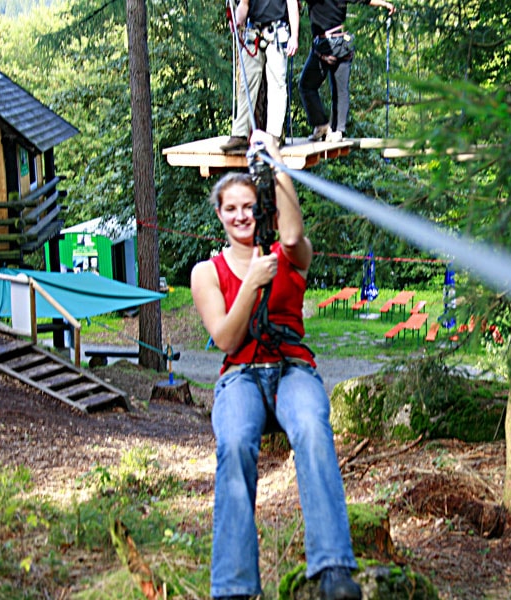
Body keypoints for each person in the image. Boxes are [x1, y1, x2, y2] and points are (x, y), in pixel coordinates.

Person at [191, 130, 362, 600]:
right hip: (241, 375)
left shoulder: (289, 254)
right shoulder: (207, 272)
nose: (240, 215)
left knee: (311, 427)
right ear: (220, 214)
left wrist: (279, 162)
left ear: (261, 209)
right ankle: (234, 586)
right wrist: (250, 284)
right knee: (235, 443)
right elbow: (225, 338)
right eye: (231, 208)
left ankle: (333, 568)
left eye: (249, 206)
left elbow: (292, 234)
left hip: (291, 367)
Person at [299, 0, 395, 143]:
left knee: (306, 86)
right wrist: (385, 4)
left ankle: (321, 124)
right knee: (341, 90)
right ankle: (337, 131)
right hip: (344, 43)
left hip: (326, 45)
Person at [219, 0, 300, 153]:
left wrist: (294, 37)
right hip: (253, 31)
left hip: (277, 31)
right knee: (246, 84)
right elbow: (244, 4)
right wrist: (237, 20)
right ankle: (240, 135)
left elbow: (292, 4)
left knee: (277, 86)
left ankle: (274, 136)